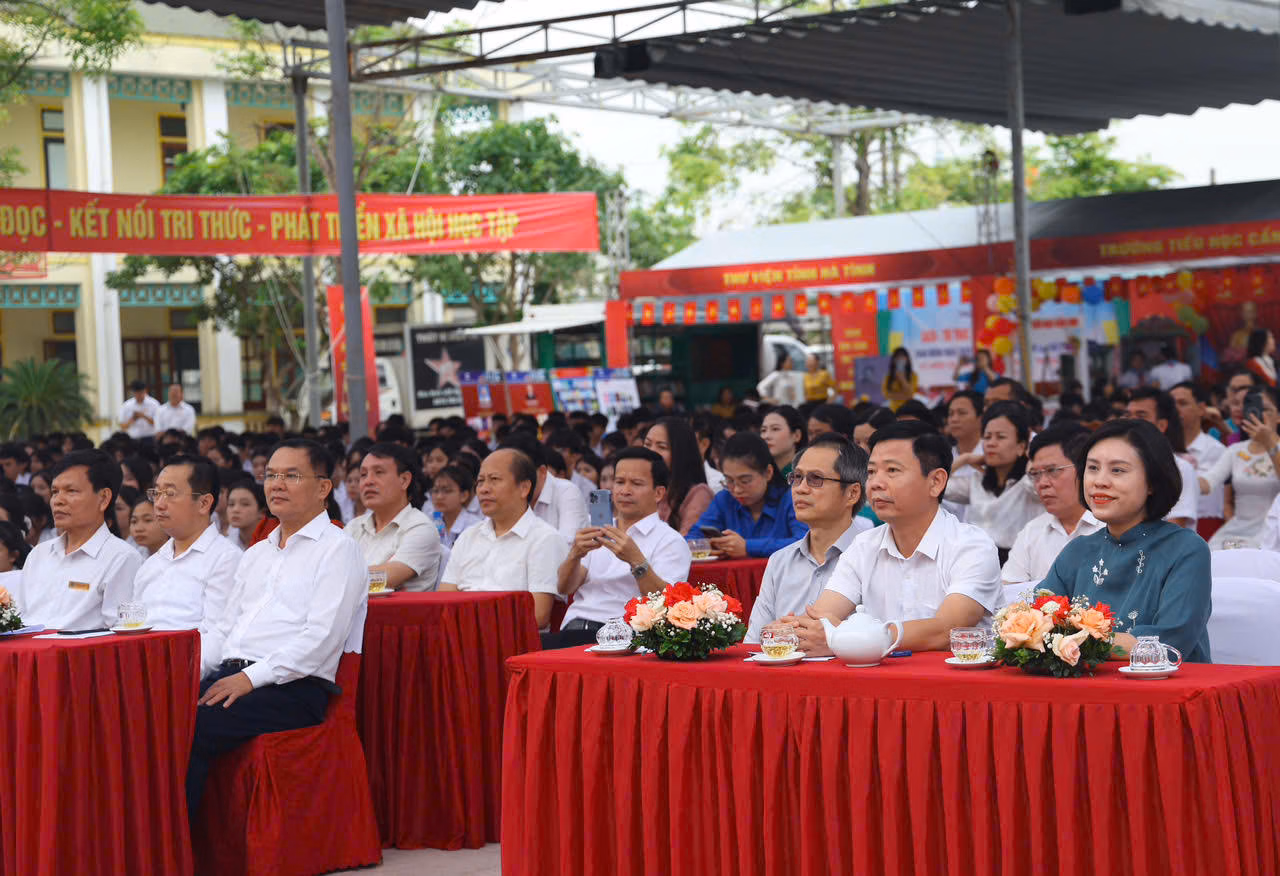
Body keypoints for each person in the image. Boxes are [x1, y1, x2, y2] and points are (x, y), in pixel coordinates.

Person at [188, 439, 368, 818]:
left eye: (292, 476)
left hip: (292, 687)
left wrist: (250, 679)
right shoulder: (256, 554)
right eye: (270, 475)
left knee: (189, 728)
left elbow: (321, 640)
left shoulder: (339, 549)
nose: (276, 485)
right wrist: (189, 676)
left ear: (323, 487)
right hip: (232, 676)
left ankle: (176, 845)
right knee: (157, 717)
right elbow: (225, 628)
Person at [790, 420, 1002, 655]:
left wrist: (850, 638)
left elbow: (947, 630)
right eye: (871, 472)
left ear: (936, 482)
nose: (876, 484)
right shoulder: (864, 545)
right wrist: (797, 630)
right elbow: (820, 619)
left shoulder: (972, 546)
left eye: (892, 470)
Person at [1040, 419, 1212, 662]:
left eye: (1117, 470)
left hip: (1164, 683)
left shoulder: (1186, 550)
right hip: (1085, 684)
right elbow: (1038, 619)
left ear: (1152, 482)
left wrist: (1070, 641)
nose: (1099, 481)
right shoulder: (1077, 551)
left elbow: (1169, 643)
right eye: (1093, 468)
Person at [546, 447, 692, 648]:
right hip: (575, 627)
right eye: (620, 482)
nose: (624, 491)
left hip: (625, 637)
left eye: (636, 483)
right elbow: (564, 588)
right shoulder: (597, 530)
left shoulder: (670, 541)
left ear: (658, 493)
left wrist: (637, 562)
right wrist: (574, 555)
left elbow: (666, 605)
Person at [745, 433, 871, 643]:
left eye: (816, 479)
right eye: (797, 477)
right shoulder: (780, 561)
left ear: (852, 493)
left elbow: (886, 636)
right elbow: (754, 642)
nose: (800, 489)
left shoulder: (873, 556)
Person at [11, 450, 143, 630]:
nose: (58, 501)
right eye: (55, 492)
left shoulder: (122, 558)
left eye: (71, 491)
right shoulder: (39, 554)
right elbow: (20, 618)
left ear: (104, 498)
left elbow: (122, 632)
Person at [438, 449, 567, 629]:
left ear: (524, 488)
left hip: (511, 640)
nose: (484, 489)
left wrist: (473, 623)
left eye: (494, 479)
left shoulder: (545, 539)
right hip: (461, 635)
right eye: (480, 481)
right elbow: (443, 601)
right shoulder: (469, 536)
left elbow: (538, 615)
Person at [131, 457, 240, 651]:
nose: (159, 504)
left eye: (170, 494)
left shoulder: (226, 559)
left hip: (192, 666)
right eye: (156, 493)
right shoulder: (150, 564)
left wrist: (170, 666)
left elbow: (218, 637)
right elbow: (134, 627)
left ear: (204, 503)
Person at [1001, 425, 1102, 588]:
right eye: (1035, 474)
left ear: (1084, 470)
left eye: (1052, 470)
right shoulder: (1032, 532)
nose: (1042, 483)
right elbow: (1008, 592)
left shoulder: (1112, 526)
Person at [944, 401, 1041, 562]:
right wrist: (963, 460)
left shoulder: (1030, 484)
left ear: (1021, 446)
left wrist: (1031, 452)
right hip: (974, 562)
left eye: (1000, 437)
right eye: (987, 437)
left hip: (1018, 565)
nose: (991, 443)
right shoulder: (977, 481)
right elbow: (933, 487)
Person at [347, 443, 443, 592]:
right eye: (363, 474)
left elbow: (386, 579)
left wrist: (335, 578)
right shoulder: (354, 527)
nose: (368, 481)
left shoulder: (421, 528)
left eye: (378, 472)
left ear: (404, 480)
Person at [693, 432, 807, 558]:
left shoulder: (791, 499)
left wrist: (748, 547)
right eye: (729, 480)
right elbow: (692, 538)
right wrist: (707, 546)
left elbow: (804, 543)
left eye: (745, 481)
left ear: (768, 473)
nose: (736, 490)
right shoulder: (724, 499)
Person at [1197, 387, 1280, 549]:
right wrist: (1180, 476)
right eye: (1254, 408)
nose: (1258, 414)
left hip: (1272, 531)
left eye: (1265, 409)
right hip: (1237, 530)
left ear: (1278, 416)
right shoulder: (1235, 451)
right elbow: (1208, 482)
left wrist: (1269, 442)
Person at [1125, 388, 1199, 528]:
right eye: (1128, 415)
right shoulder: (1114, 465)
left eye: (1141, 416)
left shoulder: (1180, 469)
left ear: (1161, 425)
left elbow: (1175, 528)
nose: (1131, 422)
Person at [498, 432, 589, 545]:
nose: (512, 483)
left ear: (542, 472)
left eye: (519, 476)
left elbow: (567, 547)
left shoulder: (566, 492)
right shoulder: (504, 496)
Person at [1171, 381, 1227, 536]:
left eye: (1183, 403)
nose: (1175, 409)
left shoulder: (1217, 451)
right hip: (1167, 526)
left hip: (1208, 530)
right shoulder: (1158, 449)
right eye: (1171, 404)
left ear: (1201, 409)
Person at [643, 417, 712, 537]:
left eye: (662, 447)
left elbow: (688, 543)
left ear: (681, 453)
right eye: (647, 444)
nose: (651, 451)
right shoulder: (643, 488)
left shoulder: (698, 494)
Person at [429, 464, 484, 548]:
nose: (439, 497)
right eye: (435, 491)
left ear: (464, 496)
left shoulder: (474, 526)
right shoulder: (432, 520)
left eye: (447, 491)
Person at [546, 429, 595, 501]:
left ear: (575, 456)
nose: (554, 454)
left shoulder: (589, 489)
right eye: (552, 450)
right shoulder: (543, 483)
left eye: (560, 450)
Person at [760, 406, 806, 480]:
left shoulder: (805, 475)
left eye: (775, 429)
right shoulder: (760, 474)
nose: (766, 436)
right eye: (763, 430)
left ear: (797, 435)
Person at [224, 481, 267, 551]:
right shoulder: (226, 543)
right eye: (231, 504)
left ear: (262, 512)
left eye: (245, 504)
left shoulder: (271, 543)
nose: (235, 510)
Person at [943, 390, 984, 458]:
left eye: (962, 413)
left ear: (980, 418)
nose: (954, 419)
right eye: (951, 414)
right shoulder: (945, 456)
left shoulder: (991, 452)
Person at [882, 347, 918, 412]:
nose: (900, 359)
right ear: (893, 360)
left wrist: (902, 379)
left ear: (907, 359)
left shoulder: (913, 375)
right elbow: (886, 394)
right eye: (897, 357)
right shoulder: (888, 376)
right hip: (893, 410)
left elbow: (910, 394)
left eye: (902, 357)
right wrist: (904, 396)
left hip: (908, 409)